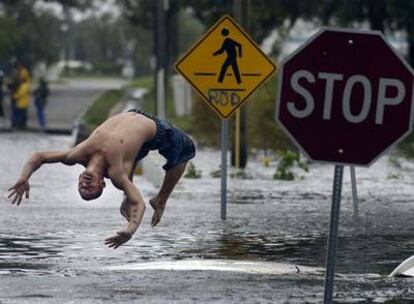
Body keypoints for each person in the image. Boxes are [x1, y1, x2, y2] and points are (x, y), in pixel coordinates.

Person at [8, 110, 196, 249]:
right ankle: (161, 199)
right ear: (102, 183)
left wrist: (24, 177)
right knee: (187, 149)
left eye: (82, 187)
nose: (85, 185)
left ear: (79, 177)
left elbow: (39, 156)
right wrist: (129, 231)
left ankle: (126, 195)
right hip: (155, 130)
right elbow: (140, 204)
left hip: (132, 118)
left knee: (129, 160)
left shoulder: (76, 155)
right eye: (90, 189)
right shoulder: (115, 173)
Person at [13, 65, 31, 129]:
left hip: (21, 103)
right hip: (24, 103)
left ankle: (18, 125)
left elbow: (20, 94)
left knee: (20, 115)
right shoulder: (25, 85)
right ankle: (22, 126)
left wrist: (14, 96)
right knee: (23, 116)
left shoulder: (24, 86)